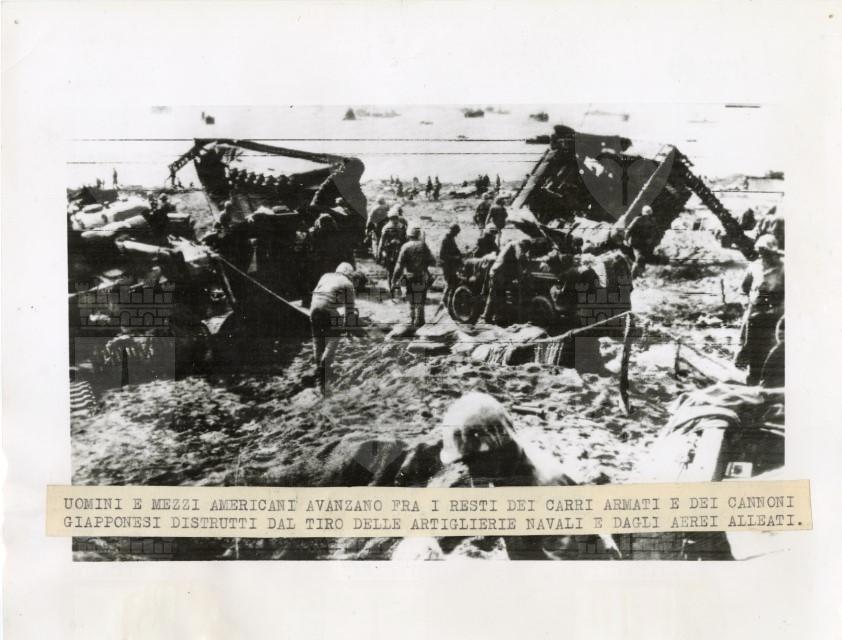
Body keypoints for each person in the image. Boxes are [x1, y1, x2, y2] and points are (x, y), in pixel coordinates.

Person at [432, 392, 619, 559]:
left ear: (495, 451)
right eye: (466, 462)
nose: (471, 471)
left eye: (473, 461)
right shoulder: (508, 463)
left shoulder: (544, 493)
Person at [735, 235, 784, 384]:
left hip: (774, 316)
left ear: (773, 252)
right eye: (760, 252)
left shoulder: (783, 268)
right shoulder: (754, 267)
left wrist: (780, 310)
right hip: (754, 312)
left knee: (771, 350)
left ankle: (768, 382)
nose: (763, 256)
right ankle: (752, 379)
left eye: (766, 252)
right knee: (751, 347)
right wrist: (745, 302)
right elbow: (743, 289)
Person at [309, 262, 358, 393]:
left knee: (317, 341)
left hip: (313, 309)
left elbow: (316, 293)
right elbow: (349, 311)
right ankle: (325, 368)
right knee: (333, 338)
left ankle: (318, 371)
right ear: (350, 274)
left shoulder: (325, 276)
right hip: (328, 310)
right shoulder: (348, 284)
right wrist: (349, 330)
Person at [393, 225, 436, 327]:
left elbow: (399, 265)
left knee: (411, 300)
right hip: (422, 276)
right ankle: (420, 323)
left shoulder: (405, 247)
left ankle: (412, 322)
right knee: (420, 301)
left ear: (408, 235)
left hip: (410, 277)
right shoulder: (423, 246)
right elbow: (432, 261)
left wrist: (394, 279)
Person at [482, 238, 532, 323]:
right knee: (496, 295)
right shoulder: (516, 244)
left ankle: (492, 317)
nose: (526, 251)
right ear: (524, 244)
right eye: (526, 249)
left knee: (498, 295)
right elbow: (520, 257)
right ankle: (490, 317)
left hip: (500, 273)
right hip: (499, 273)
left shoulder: (513, 244)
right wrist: (527, 264)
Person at [377, 208, 408, 287]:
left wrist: (379, 254)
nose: (394, 220)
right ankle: (395, 285)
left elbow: (382, 242)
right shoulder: (402, 227)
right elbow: (406, 240)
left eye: (395, 218)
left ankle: (392, 286)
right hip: (395, 251)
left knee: (392, 270)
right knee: (396, 269)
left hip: (391, 252)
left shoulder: (387, 227)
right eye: (393, 218)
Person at [624, 204, 657, 277]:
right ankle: (632, 276)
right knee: (639, 258)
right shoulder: (637, 220)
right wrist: (626, 240)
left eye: (648, 215)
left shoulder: (651, 221)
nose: (647, 216)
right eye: (646, 215)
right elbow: (628, 230)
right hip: (636, 242)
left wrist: (651, 239)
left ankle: (640, 275)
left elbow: (653, 232)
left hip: (645, 243)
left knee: (643, 259)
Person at [438, 223, 463, 308]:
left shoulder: (451, 238)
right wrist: (455, 257)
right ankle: (443, 301)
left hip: (452, 265)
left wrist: (460, 254)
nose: (457, 234)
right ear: (453, 231)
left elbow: (455, 250)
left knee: (453, 282)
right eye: (456, 232)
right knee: (449, 283)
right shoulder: (445, 239)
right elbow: (442, 256)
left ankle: (449, 301)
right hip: (447, 265)